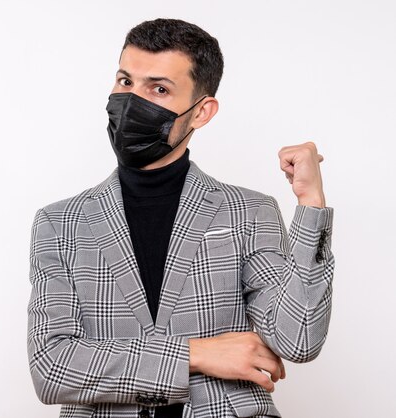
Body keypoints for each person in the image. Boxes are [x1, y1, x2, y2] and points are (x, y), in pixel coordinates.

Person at [26, 18, 334, 418]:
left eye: (159, 88)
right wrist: (197, 354)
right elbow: (52, 370)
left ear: (202, 112)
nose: (132, 101)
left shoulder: (249, 210)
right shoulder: (60, 222)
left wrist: (311, 204)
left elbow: (300, 340)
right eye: (125, 81)